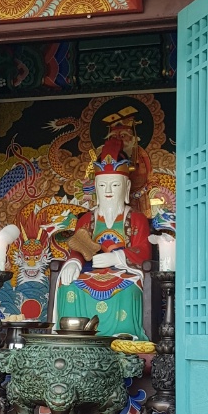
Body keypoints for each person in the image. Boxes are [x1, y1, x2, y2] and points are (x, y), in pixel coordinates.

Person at [54, 141, 151, 339]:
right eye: (102, 185)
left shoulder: (136, 218)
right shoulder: (87, 220)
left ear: (126, 187)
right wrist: (73, 263)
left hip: (124, 275)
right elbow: (77, 249)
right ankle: (73, 335)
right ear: (96, 189)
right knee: (68, 287)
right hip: (90, 274)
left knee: (128, 291)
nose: (108, 190)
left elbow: (144, 250)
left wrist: (116, 258)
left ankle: (123, 336)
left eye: (115, 185)